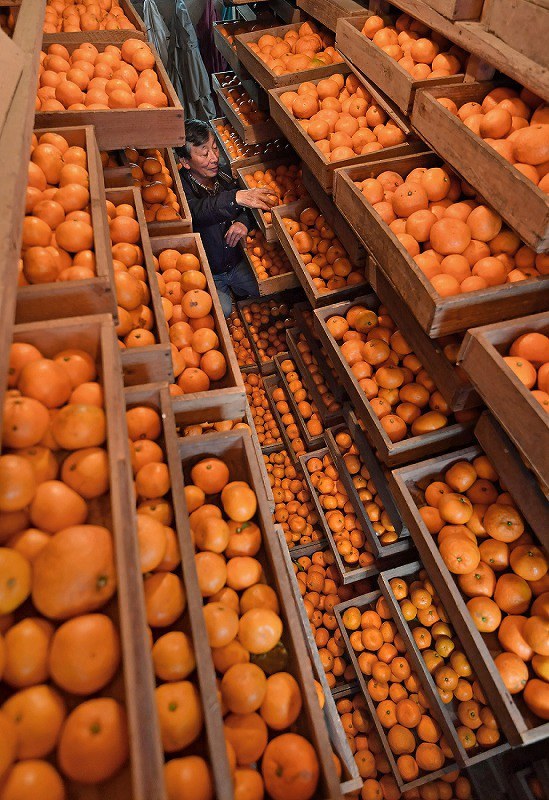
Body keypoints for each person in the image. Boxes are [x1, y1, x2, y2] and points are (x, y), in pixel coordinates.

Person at [177, 119, 274, 317]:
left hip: (237, 261)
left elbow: (248, 205)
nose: (213, 158)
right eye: (204, 154)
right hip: (208, 271)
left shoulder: (223, 174)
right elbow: (197, 212)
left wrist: (243, 222)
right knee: (223, 310)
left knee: (266, 291)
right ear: (185, 162)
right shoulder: (180, 188)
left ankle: (239, 289)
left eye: (215, 148)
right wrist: (235, 198)